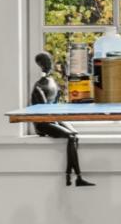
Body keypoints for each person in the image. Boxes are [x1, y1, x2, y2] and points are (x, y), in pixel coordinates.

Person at [29, 52, 94, 188]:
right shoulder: (38, 87)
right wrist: (55, 120)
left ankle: (72, 177)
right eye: (46, 63)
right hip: (43, 123)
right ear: (41, 66)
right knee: (70, 137)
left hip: (53, 117)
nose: (49, 65)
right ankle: (76, 177)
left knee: (74, 135)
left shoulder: (53, 82)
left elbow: (56, 104)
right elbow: (41, 113)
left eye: (50, 62)